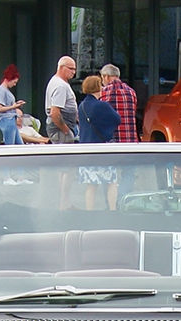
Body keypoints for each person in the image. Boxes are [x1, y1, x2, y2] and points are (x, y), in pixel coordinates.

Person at [77, 75, 119, 209]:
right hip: (102, 150)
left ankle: (90, 212)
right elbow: (117, 119)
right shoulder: (102, 105)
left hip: (86, 150)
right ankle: (112, 210)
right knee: (112, 182)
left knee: (91, 185)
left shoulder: (82, 106)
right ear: (97, 87)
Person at [99, 63, 139, 142]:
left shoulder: (103, 92)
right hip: (130, 139)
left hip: (112, 140)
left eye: (102, 78)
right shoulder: (131, 92)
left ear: (106, 76)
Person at [46, 56, 79, 143]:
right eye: (70, 69)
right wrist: (66, 130)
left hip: (64, 127)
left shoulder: (59, 82)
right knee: (65, 155)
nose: (73, 72)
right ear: (61, 67)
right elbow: (55, 113)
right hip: (60, 130)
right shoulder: (60, 86)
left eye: (74, 69)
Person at [0, 65, 25, 146]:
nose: (14, 85)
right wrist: (14, 107)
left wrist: (16, 105)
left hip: (11, 120)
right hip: (7, 120)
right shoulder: (1, 90)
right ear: (9, 79)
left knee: (20, 146)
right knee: (10, 146)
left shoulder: (6, 90)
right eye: (14, 82)